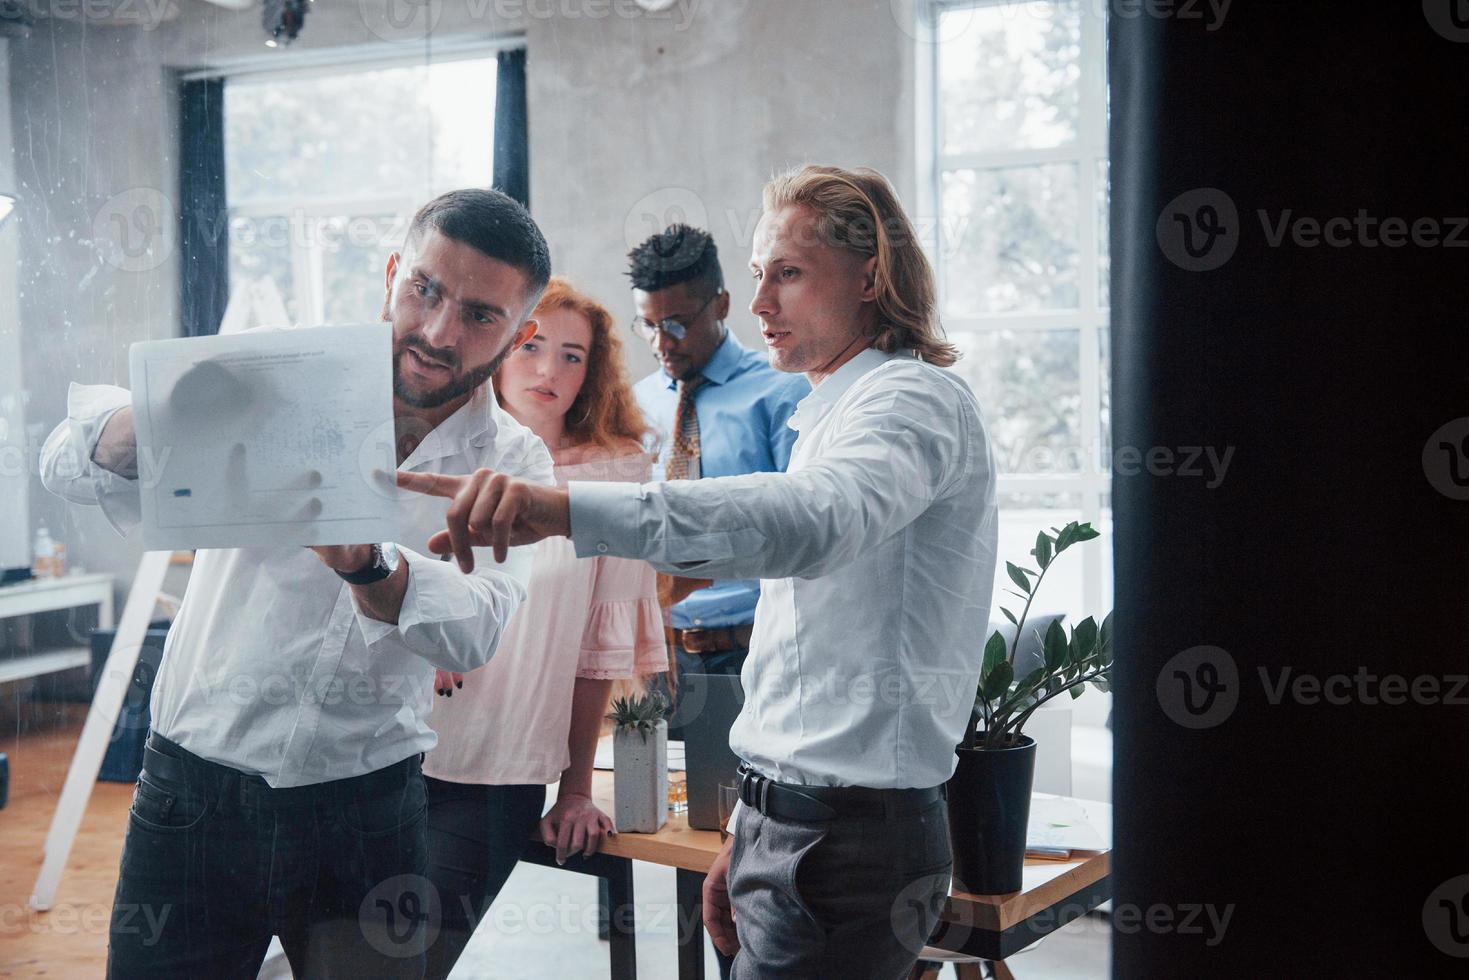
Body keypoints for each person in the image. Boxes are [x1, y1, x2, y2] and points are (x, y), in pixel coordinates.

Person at [398, 165, 999, 979]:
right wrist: (752, 827)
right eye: (758, 278)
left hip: (846, 838)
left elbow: (812, 523)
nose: (757, 307)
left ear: (870, 274)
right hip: (790, 822)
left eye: (786, 274)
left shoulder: (911, 401)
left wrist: (563, 509)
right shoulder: (832, 411)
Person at [39, 188, 554, 979]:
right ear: (390, 274)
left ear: (519, 332)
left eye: (481, 316)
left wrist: (367, 563)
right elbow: (63, 462)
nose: (440, 332)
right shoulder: (272, 373)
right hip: (190, 795)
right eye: (425, 289)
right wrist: (156, 418)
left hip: (368, 817)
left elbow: (474, 631)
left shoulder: (513, 466)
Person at [420, 278, 667, 978]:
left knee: (414, 957)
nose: (548, 371)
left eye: (571, 356)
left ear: (592, 373)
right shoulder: (443, 453)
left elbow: (598, 649)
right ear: (496, 352)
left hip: (501, 762)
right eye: (530, 348)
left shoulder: (618, 478)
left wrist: (579, 789)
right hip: (387, 754)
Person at [625, 225, 808, 717]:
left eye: (679, 323)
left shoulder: (783, 394)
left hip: (754, 652)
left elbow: (799, 533)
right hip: (661, 657)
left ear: (722, 304)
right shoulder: (637, 405)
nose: (662, 342)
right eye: (648, 324)